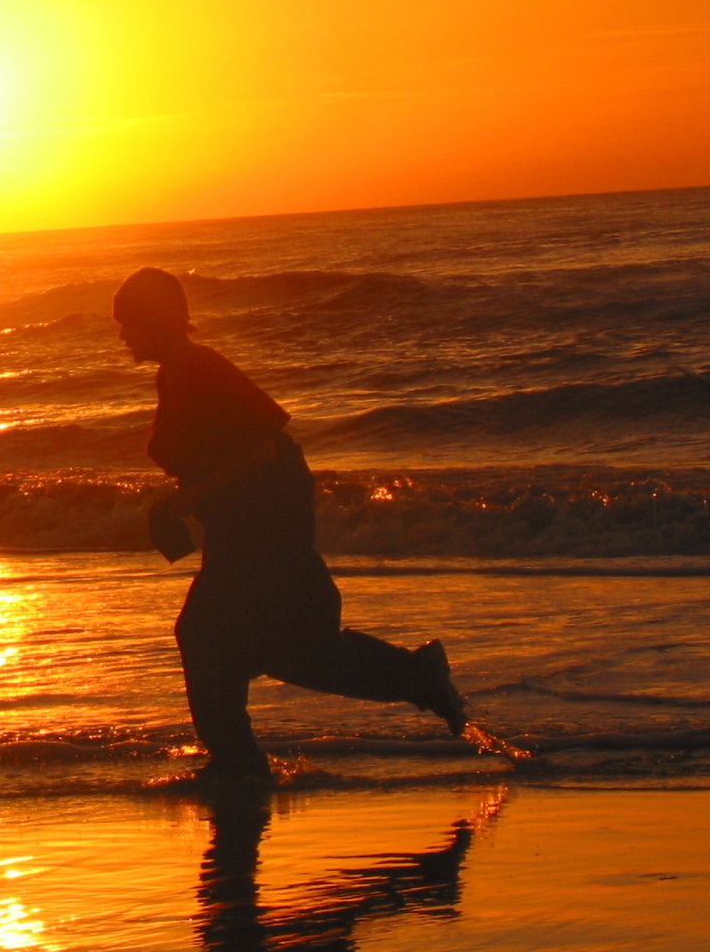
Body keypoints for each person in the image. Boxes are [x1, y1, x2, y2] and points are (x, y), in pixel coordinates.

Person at [115, 265, 465, 786]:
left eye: (128, 323)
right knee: (256, 645)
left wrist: (192, 496)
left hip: (264, 531)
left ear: (154, 319)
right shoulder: (176, 372)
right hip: (243, 530)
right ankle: (242, 760)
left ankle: (242, 763)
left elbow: (264, 448)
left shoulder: (198, 367)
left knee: (225, 637)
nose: (121, 335)